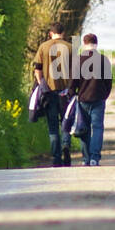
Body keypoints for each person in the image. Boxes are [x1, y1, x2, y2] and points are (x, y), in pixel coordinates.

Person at [32, 22, 74, 166]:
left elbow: (37, 69)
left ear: (51, 33)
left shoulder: (44, 47)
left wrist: (41, 83)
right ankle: (66, 145)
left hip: (49, 92)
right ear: (64, 33)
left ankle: (56, 158)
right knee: (66, 122)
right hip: (66, 92)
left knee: (52, 126)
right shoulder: (70, 48)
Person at [70, 33, 113, 166]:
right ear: (96, 44)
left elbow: (73, 82)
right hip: (99, 98)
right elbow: (108, 81)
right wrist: (105, 94)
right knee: (98, 127)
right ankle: (95, 157)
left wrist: (73, 94)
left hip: (82, 98)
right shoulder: (103, 59)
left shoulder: (78, 60)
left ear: (84, 43)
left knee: (84, 128)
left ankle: (86, 158)